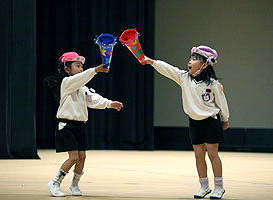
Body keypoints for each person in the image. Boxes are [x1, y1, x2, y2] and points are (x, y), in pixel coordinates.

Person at [143, 45, 229, 199]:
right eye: (190, 58)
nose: (190, 61)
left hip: (211, 122)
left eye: (195, 59)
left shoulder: (213, 84)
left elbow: (222, 103)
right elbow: (169, 69)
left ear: (205, 64)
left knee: (213, 154)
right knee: (198, 155)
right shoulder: (184, 78)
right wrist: (152, 62)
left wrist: (225, 119)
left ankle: (219, 187)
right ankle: (204, 187)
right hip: (194, 123)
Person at [46, 52, 123, 197]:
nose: (81, 68)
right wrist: (95, 70)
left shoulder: (83, 88)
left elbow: (93, 99)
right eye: (77, 65)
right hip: (66, 126)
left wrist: (109, 104)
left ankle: (75, 184)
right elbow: (81, 78)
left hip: (80, 126)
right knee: (74, 157)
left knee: (82, 157)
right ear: (67, 69)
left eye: (82, 66)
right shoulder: (66, 83)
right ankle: (55, 183)